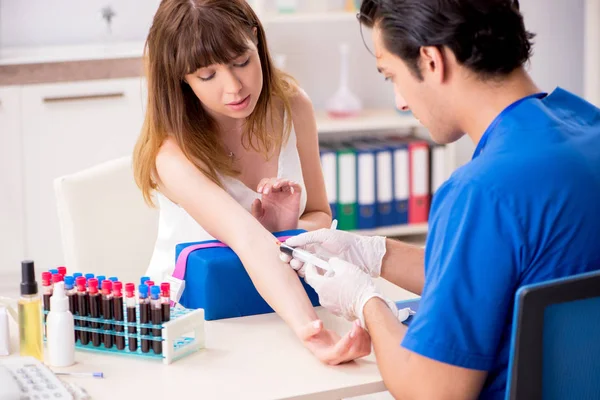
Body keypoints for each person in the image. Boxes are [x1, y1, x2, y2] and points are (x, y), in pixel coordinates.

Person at [282, 0, 600, 398]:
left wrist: (367, 303)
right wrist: (374, 253)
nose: (400, 100)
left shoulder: (482, 191)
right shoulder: (588, 127)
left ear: (431, 62)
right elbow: (501, 275)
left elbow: (431, 392)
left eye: (391, 76)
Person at [132, 0, 370, 365]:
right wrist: (314, 333)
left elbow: (320, 214)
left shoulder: (292, 107)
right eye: (207, 76)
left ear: (256, 38)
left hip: (271, 306)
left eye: (241, 60)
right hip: (187, 323)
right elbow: (247, 239)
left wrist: (286, 229)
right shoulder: (172, 152)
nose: (234, 87)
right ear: (181, 77)